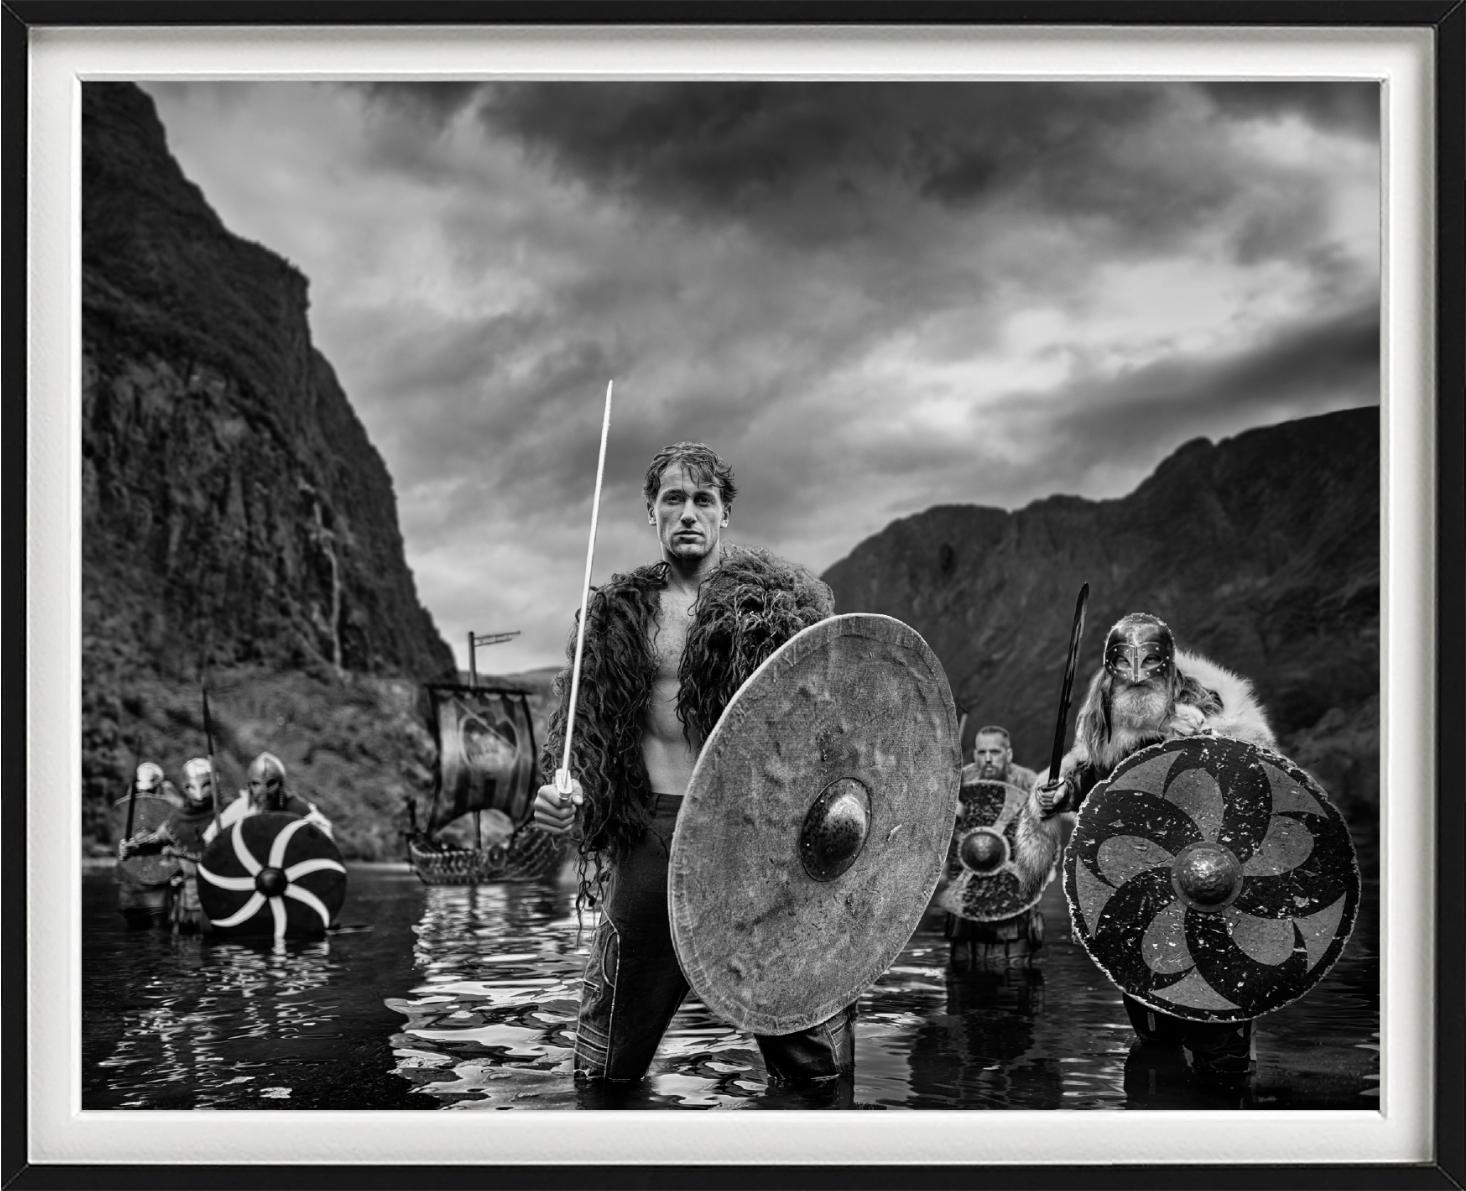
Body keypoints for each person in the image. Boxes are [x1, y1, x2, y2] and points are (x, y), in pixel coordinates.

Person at [531, 441, 853, 1091]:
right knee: (603, 1066)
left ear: (724, 513)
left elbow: (822, 732)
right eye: (673, 498)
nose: (688, 512)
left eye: (703, 499)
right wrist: (564, 791)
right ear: (650, 510)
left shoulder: (774, 609)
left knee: (809, 1066)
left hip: (750, 842)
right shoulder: (617, 618)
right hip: (650, 835)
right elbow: (584, 737)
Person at [1026, 611, 1277, 1085]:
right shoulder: (1102, 719)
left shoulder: (1213, 712)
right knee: (1152, 1032)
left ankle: (1230, 1132)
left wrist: (1212, 744)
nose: (1137, 682)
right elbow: (1096, 780)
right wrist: (1060, 792)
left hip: (1213, 896)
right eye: (1126, 670)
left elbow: (1261, 788)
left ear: (1168, 670)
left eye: (1149, 671)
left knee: (1219, 1047)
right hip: (1139, 901)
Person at [945, 726, 1044, 965]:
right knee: (963, 972)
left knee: (1014, 973)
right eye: (981, 752)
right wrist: (950, 812)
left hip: (1013, 888)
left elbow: (1042, 838)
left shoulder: (1027, 781)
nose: (987, 758)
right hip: (969, 889)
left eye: (995, 752)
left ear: (1008, 754)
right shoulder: (960, 781)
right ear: (975, 754)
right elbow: (942, 837)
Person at [118, 757, 221, 932]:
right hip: (189, 905)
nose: (199, 793)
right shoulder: (177, 820)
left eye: (205, 785)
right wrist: (133, 847)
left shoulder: (228, 814)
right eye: (192, 786)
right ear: (185, 787)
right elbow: (155, 841)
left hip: (223, 899)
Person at [204, 751, 333, 843]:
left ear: (280, 784)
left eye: (270, 784)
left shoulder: (298, 808)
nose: (263, 791)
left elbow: (324, 839)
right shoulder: (241, 808)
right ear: (250, 786)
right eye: (256, 784)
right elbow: (211, 836)